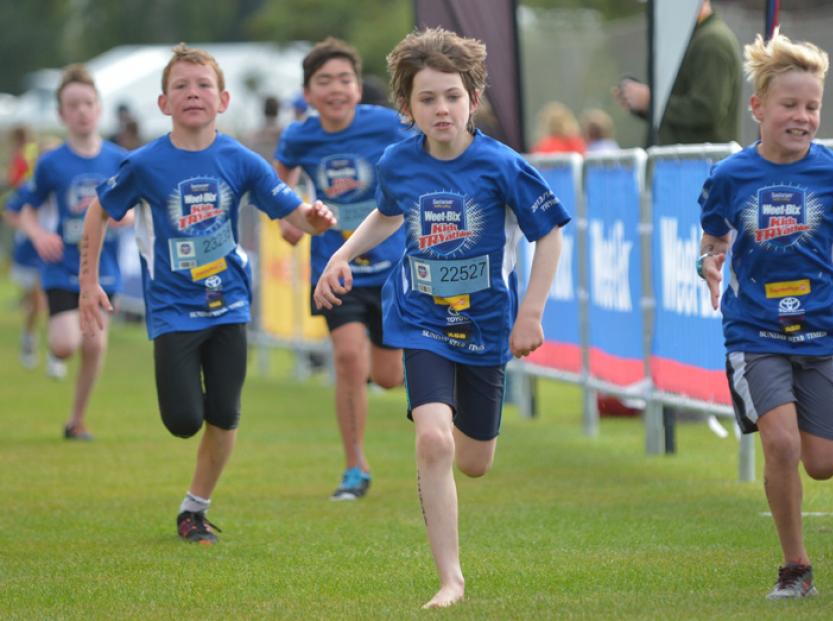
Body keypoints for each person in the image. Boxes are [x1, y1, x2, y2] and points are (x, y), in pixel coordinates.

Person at [314, 27, 569, 609]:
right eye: (427, 99)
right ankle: (450, 578)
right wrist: (340, 255)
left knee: (474, 461)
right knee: (433, 442)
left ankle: (457, 434)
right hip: (421, 317)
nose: (442, 108)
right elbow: (386, 214)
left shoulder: (501, 165)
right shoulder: (398, 161)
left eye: (452, 96)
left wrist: (531, 312)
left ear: (472, 98)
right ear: (408, 107)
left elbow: (550, 235)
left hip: (486, 326)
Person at [78, 43, 335, 545]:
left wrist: (313, 219)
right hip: (174, 309)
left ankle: (194, 509)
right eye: (181, 86)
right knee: (182, 421)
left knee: (224, 412)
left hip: (231, 304)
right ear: (163, 104)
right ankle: (193, 469)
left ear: (222, 100)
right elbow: (97, 211)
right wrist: (88, 283)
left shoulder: (239, 159)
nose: (192, 94)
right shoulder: (145, 163)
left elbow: (291, 212)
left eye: (203, 86)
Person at [697, 31, 833, 599]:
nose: (802, 117)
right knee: (780, 444)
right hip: (754, 331)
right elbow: (713, 239)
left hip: (824, 330)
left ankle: (800, 523)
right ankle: (795, 568)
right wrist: (709, 263)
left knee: (824, 463)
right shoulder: (730, 176)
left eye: (812, 107)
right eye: (789, 105)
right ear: (758, 108)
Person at [274, 37, 413, 501]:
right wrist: (291, 220)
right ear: (309, 93)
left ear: (359, 87)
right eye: (324, 82)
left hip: (393, 266)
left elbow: (426, 160)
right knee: (349, 360)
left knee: (390, 376)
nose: (336, 89)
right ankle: (355, 466)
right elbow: (280, 186)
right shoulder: (300, 135)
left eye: (345, 80)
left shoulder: (388, 125)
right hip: (336, 267)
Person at [14, 65, 129, 438]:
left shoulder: (117, 160)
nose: (81, 111)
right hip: (62, 265)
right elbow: (21, 207)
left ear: (98, 108)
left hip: (103, 267)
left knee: (94, 347)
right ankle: (53, 344)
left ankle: (76, 420)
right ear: (62, 114)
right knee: (65, 346)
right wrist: (36, 234)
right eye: (72, 105)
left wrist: (124, 217)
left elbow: (133, 205)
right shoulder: (51, 163)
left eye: (87, 103)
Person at [615, 0, 741, 145]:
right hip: (684, 162)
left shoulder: (712, 41)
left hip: (698, 164)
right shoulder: (691, 39)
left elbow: (706, 110)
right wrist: (645, 104)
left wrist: (651, 101)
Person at [4, 125, 43, 369]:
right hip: (29, 246)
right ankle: (29, 335)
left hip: (53, 252)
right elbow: (11, 210)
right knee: (34, 299)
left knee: (42, 297)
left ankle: (51, 351)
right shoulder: (28, 185)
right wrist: (32, 231)